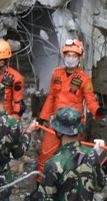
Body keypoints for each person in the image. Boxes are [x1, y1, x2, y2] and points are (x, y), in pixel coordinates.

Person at [30, 38, 100, 178]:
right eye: (68, 55)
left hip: (73, 125)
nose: (71, 58)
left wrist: (98, 111)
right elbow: (51, 97)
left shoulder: (85, 79)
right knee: (46, 153)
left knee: (71, 156)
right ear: (64, 56)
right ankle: (41, 184)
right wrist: (43, 117)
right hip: (55, 122)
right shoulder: (57, 74)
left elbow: (90, 100)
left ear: (79, 58)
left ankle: (67, 184)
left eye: (74, 56)